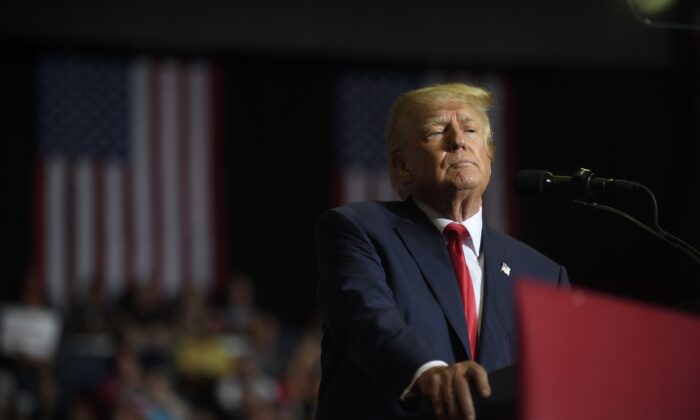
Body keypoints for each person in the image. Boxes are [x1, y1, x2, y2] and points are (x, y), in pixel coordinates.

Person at [314, 83, 569, 420]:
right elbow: (365, 316)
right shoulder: (359, 229)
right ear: (402, 165)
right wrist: (426, 371)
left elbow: (557, 381)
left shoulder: (543, 274)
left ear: (489, 155)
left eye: (470, 130)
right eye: (436, 131)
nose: (458, 140)